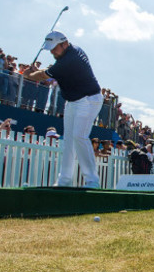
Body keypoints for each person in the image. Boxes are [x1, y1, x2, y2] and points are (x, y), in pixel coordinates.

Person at [24, 31, 103, 188]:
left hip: (88, 99)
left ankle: (92, 180)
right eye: (51, 49)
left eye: (54, 48)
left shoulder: (69, 60)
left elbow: (42, 76)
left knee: (79, 136)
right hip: (73, 101)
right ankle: (64, 180)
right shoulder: (71, 52)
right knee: (68, 140)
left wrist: (29, 75)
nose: (52, 52)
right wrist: (34, 72)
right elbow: (54, 70)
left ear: (64, 44)